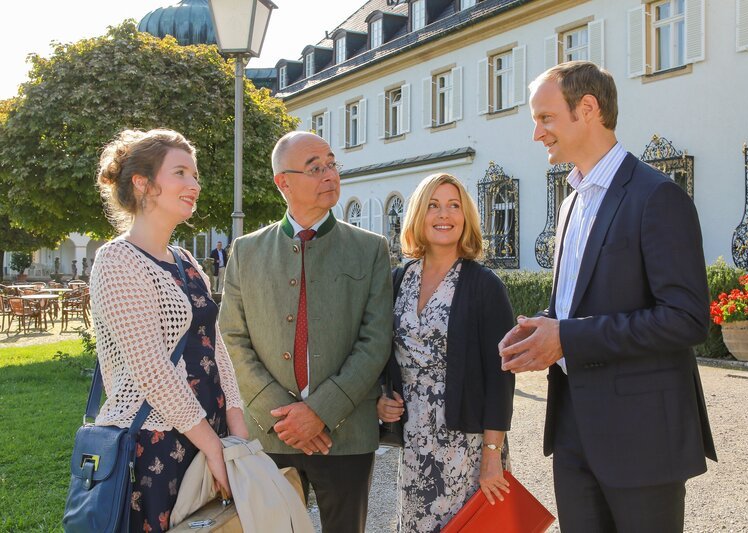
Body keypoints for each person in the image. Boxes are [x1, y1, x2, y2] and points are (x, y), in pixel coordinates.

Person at [499, 61, 717, 532]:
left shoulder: (657, 196)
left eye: (545, 118)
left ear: (588, 109)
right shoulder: (571, 201)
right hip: (573, 432)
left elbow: (686, 319)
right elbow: (575, 309)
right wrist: (539, 330)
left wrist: (568, 338)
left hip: (643, 438)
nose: (537, 133)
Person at [218, 131, 393, 533]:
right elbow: (232, 338)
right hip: (270, 433)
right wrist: (281, 415)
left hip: (345, 435)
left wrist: (320, 412)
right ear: (284, 182)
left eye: (332, 163)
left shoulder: (370, 248)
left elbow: (376, 340)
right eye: (316, 168)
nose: (330, 174)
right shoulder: (246, 252)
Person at [90, 129, 249, 532]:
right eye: (181, 173)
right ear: (144, 184)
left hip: (207, 431)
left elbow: (213, 346)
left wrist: (235, 420)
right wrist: (212, 445)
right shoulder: (117, 262)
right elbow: (151, 369)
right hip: (156, 440)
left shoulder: (184, 260)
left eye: (194, 175)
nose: (194, 185)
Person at [377, 173, 515, 532]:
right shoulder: (398, 279)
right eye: (434, 206)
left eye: (454, 206)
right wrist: (382, 398)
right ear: (419, 216)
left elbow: (502, 378)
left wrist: (491, 455)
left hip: (467, 445)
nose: (445, 215)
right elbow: (384, 353)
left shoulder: (485, 286)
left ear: (466, 216)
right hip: (415, 441)